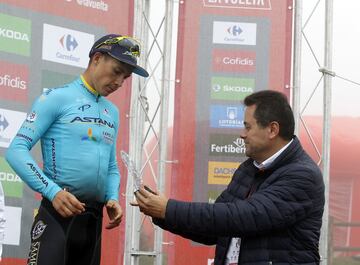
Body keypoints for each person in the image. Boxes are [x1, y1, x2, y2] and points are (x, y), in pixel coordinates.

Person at [133, 90, 325, 265]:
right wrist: (160, 213)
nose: (242, 135)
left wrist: (168, 208)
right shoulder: (248, 169)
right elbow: (215, 229)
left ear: (272, 130)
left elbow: (241, 216)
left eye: (248, 127)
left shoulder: (303, 175)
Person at [5, 34, 149, 265]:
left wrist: (112, 197)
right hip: (56, 218)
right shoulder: (56, 98)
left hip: (93, 223)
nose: (120, 82)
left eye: (126, 77)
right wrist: (53, 192)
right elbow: (16, 150)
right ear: (97, 59)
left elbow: (111, 165)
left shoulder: (111, 111)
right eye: (116, 71)